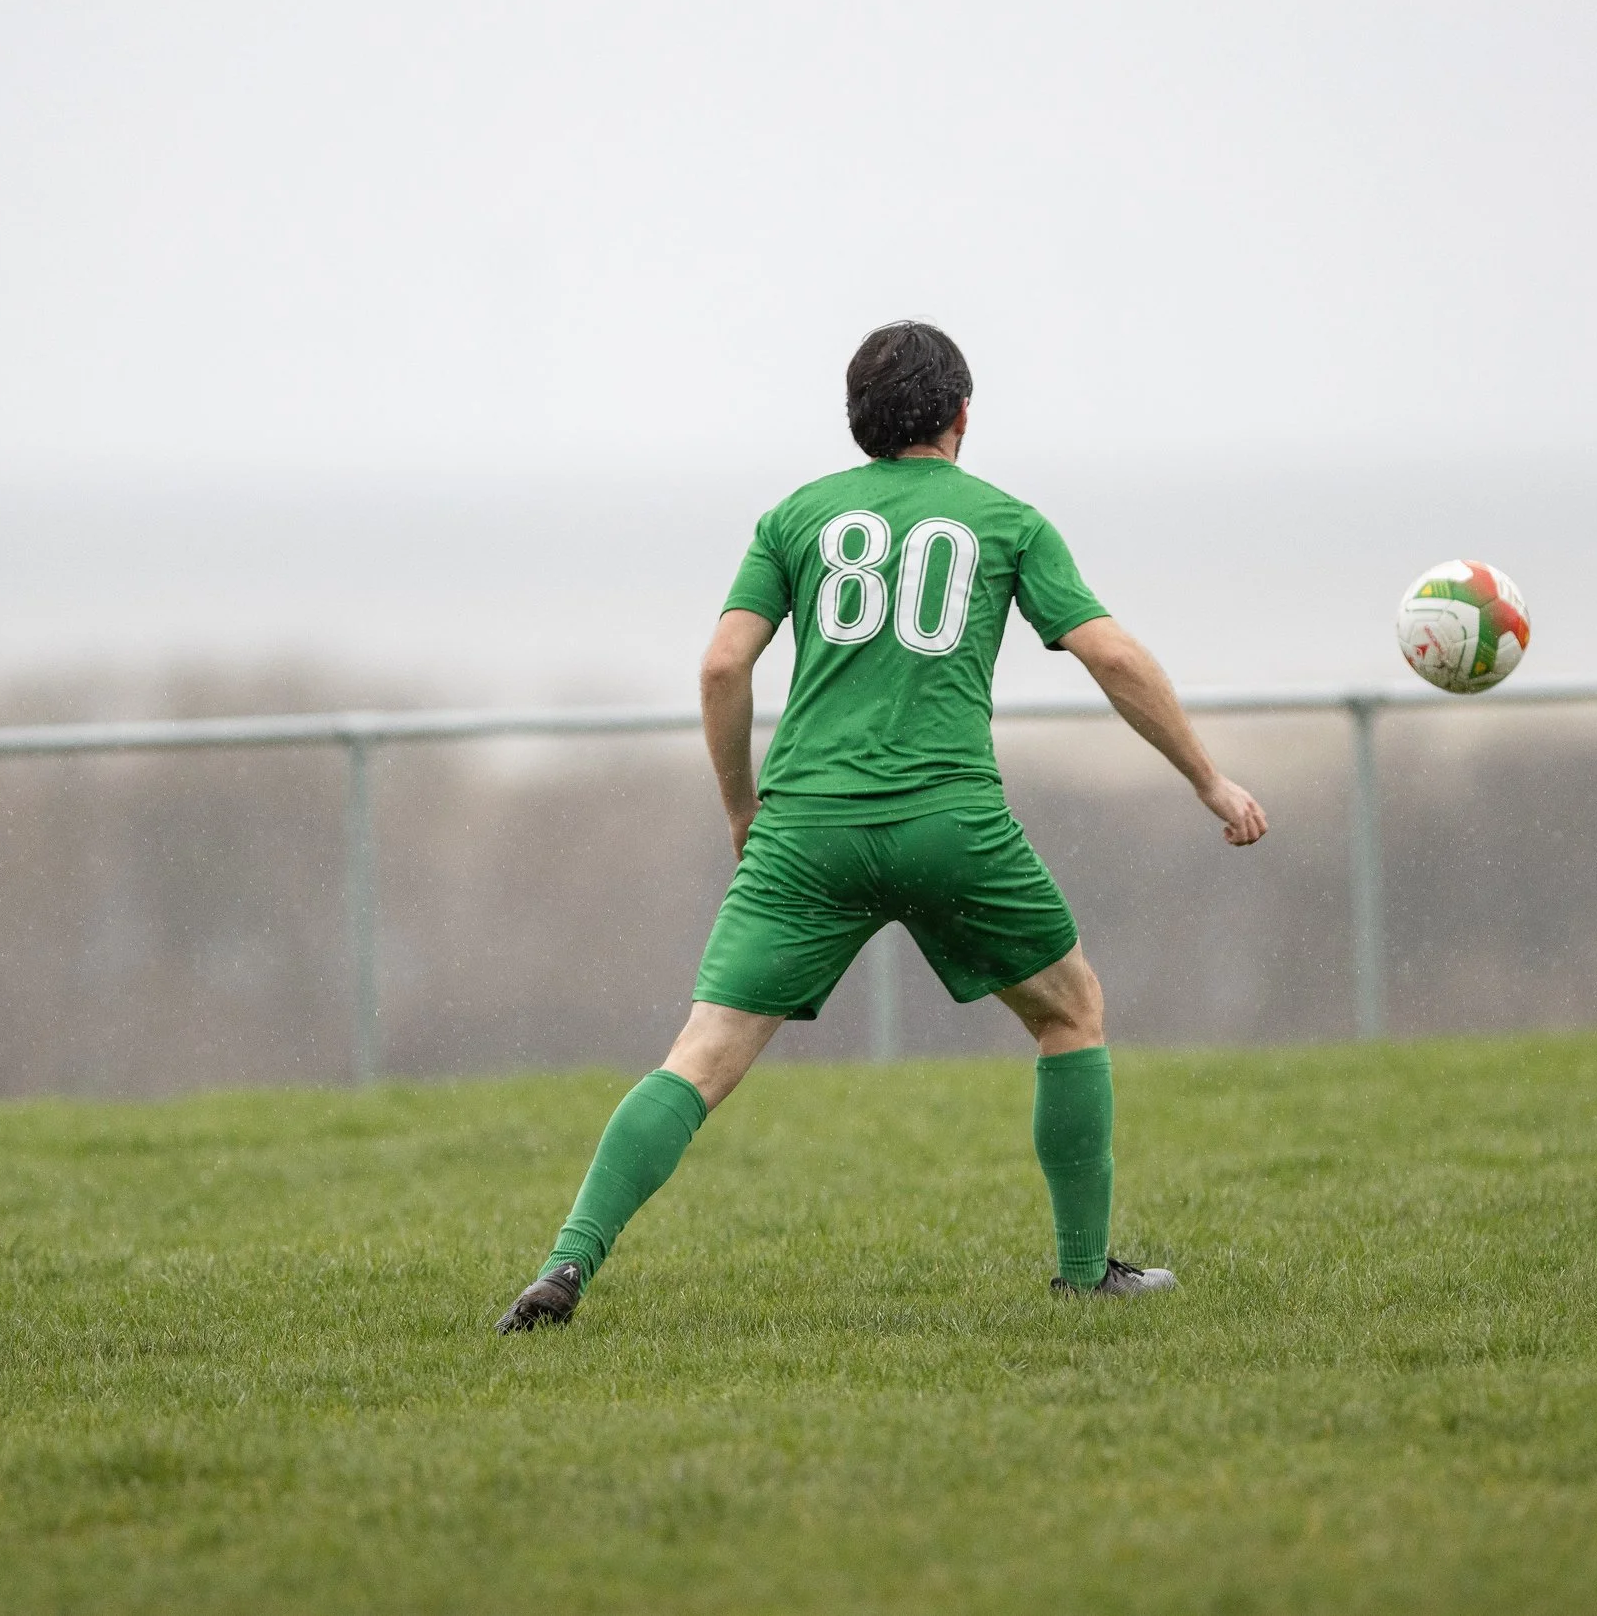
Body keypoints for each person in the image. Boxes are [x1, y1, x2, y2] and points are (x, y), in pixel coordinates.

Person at [495, 321, 1267, 1331]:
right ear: (958, 417)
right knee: (1069, 1010)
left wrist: (742, 806)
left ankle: (564, 1267)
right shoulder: (1006, 521)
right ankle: (1085, 1272)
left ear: (860, 423)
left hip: (805, 830)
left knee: (702, 1053)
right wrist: (1207, 778)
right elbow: (1111, 655)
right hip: (951, 824)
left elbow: (723, 667)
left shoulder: (795, 517)